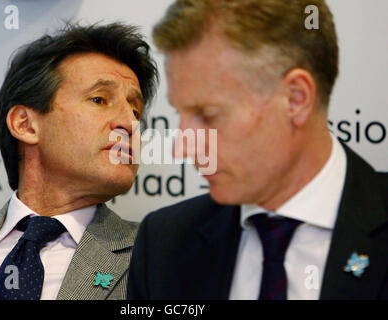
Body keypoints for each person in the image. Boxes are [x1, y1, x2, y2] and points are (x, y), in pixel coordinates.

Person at [127, 0, 388, 300]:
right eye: (180, 113)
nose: (181, 146)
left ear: (295, 98)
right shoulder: (164, 246)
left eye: (209, 115)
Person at [0, 22, 158, 300]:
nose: (129, 123)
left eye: (136, 111)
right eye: (100, 99)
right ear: (25, 125)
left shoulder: (161, 259)